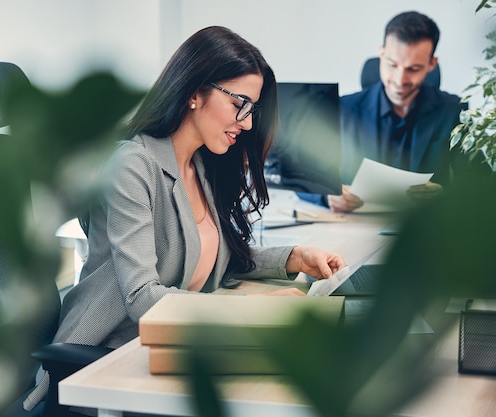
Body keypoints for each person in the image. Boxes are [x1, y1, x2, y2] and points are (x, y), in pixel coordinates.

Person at [23, 25, 345, 411]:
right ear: (195, 93)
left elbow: (217, 259)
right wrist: (254, 310)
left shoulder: (201, 167)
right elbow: (143, 298)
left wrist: (293, 258)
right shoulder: (132, 166)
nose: (246, 123)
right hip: (110, 355)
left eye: (252, 110)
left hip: (167, 348)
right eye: (240, 104)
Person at [302, 11, 468, 212]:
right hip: (353, 228)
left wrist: (445, 197)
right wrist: (326, 196)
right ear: (381, 53)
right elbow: (303, 176)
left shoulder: (454, 110)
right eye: (392, 65)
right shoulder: (343, 108)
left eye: (413, 69)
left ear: (431, 64)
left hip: (426, 228)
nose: (399, 80)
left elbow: (475, 183)